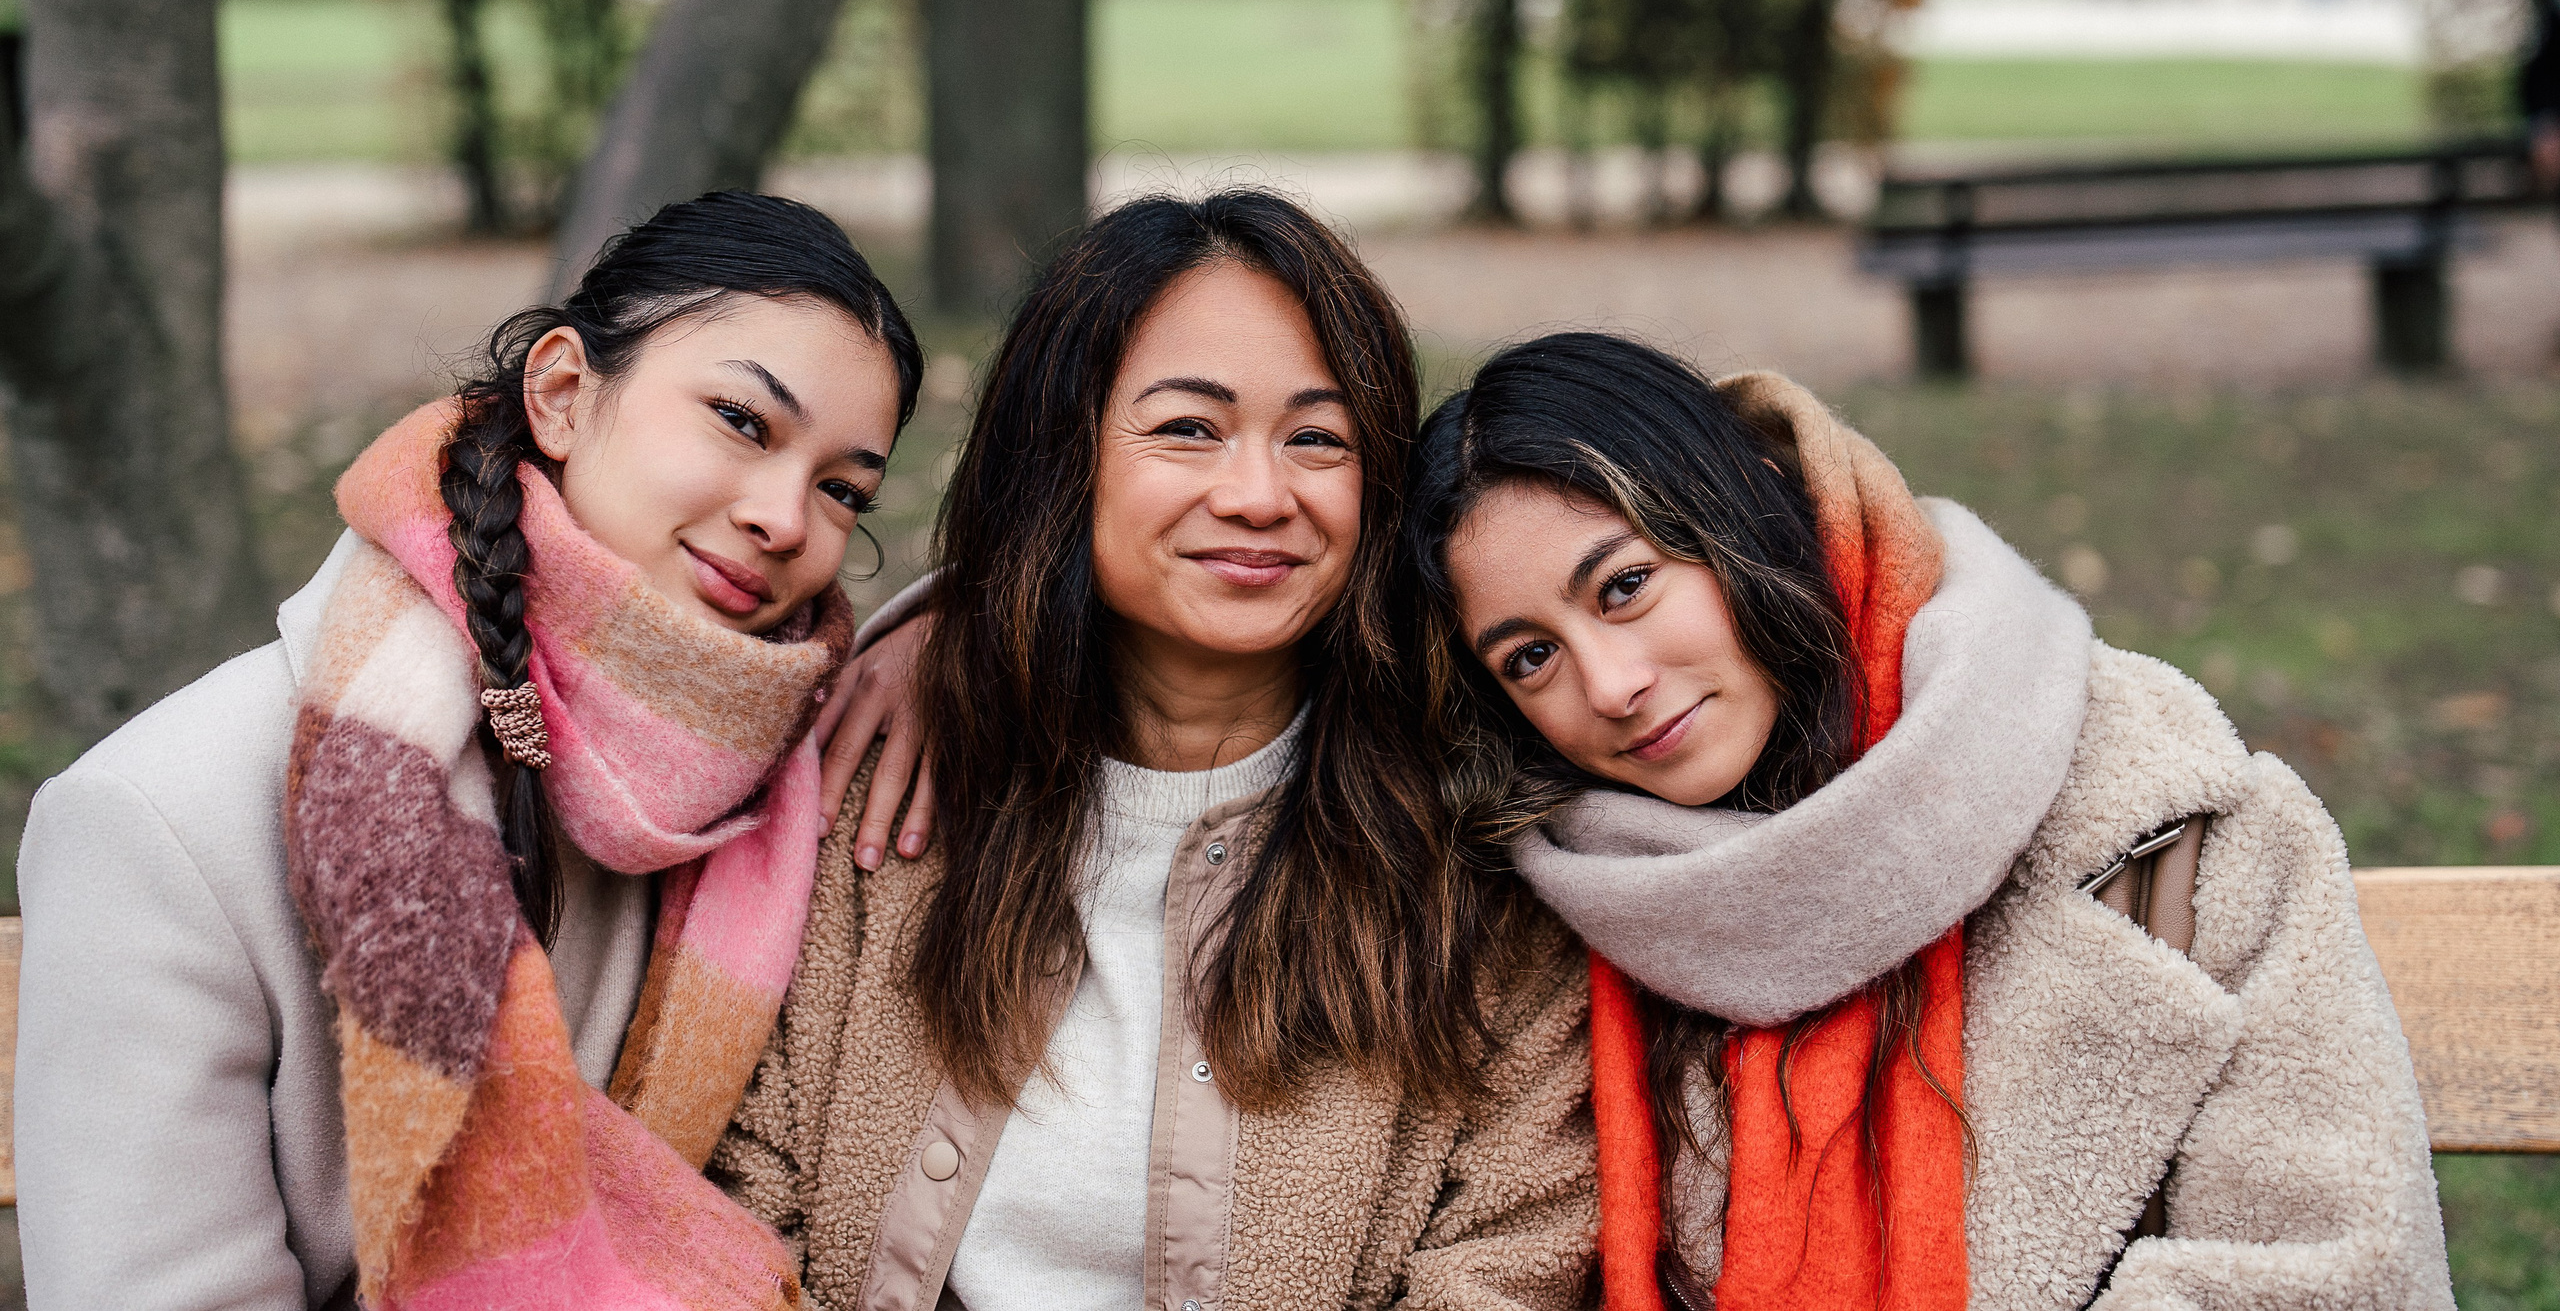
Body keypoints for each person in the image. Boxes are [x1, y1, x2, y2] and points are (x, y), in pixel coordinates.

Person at [1405, 333, 2452, 1311]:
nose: (1611, 685)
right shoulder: (1553, 912)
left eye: (1625, 585)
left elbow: (2332, 1264)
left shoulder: (2162, 818)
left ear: (1745, 509)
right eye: (1530, 657)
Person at [16, 192, 928, 1311]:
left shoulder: (786, 783)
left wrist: (943, 625)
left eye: (843, 489)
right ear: (562, 391)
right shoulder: (160, 816)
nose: (786, 518)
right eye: (742, 420)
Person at [712, 191, 1595, 1310]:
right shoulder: (877, 788)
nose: (1260, 496)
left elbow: (1510, 1258)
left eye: (1317, 439)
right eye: (1188, 427)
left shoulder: (1483, 858)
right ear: (1062, 454)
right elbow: (734, 1200)